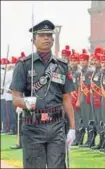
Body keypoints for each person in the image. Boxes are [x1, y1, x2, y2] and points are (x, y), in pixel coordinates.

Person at [9, 20, 76, 168]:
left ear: (53, 39)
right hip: (33, 126)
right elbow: (15, 98)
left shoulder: (61, 66)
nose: (46, 38)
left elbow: (67, 99)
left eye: (49, 35)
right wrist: (25, 103)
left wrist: (72, 128)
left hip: (57, 126)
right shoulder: (24, 65)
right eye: (42, 35)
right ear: (33, 40)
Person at [78, 49, 91, 147]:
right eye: (81, 60)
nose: (83, 62)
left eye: (84, 60)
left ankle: (90, 140)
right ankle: (85, 140)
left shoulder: (89, 71)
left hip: (89, 100)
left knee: (89, 120)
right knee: (84, 120)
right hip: (82, 100)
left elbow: (90, 87)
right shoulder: (81, 72)